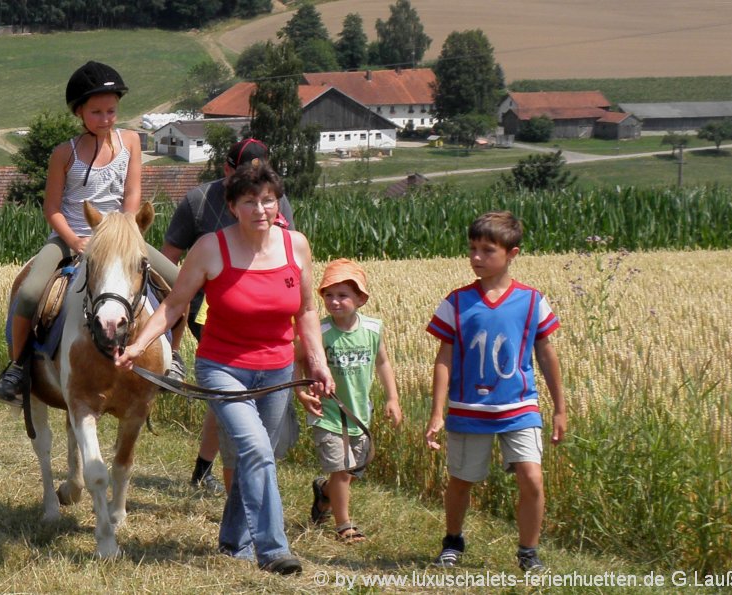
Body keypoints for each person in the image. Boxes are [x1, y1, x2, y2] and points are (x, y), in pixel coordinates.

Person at [117, 162, 333, 575]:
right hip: (223, 368)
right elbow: (174, 305)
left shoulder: (296, 246)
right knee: (256, 451)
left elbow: (306, 310)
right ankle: (272, 549)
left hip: (277, 369)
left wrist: (318, 362)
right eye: (249, 201)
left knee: (256, 456)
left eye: (268, 200)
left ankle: (233, 542)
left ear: (277, 202)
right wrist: (137, 346)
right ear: (233, 207)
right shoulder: (211, 248)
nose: (261, 209)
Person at [0, 61, 180, 405]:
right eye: (96, 112)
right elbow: (52, 209)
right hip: (71, 237)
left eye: (111, 111)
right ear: (79, 112)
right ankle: (17, 366)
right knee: (31, 293)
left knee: (180, 284)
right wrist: (75, 240)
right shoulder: (64, 153)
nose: (106, 118)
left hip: (121, 238)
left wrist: (123, 235)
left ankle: (175, 358)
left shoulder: (132, 142)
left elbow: (132, 195)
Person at [423, 211, 566, 573]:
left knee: (532, 478)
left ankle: (528, 552)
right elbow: (444, 359)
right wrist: (437, 412)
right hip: (468, 409)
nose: (476, 258)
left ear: (512, 253)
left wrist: (560, 408)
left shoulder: (533, 301)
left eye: (487, 250)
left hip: (520, 407)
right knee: (461, 480)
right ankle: (453, 540)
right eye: (472, 249)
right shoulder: (456, 302)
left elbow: (547, 355)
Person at [162, 138, 297, 494]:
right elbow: (169, 257)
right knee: (230, 382)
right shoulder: (199, 201)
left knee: (230, 396)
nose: (259, 201)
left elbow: (287, 251)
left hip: (261, 306)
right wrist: (170, 313)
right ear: (226, 170)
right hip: (210, 308)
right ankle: (231, 472)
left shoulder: (276, 200)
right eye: (243, 175)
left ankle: (210, 470)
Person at [296, 258, 402, 544]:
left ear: (361, 298)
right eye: (328, 295)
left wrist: (392, 398)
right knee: (341, 470)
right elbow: (296, 360)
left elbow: (383, 363)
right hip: (328, 413)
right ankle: (344, 525)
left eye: (343, 295)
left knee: (354, 469)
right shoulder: (319, 332)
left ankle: (325, 493)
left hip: (359, 413)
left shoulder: (372, 329)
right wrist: (301, 392)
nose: (335, 301)